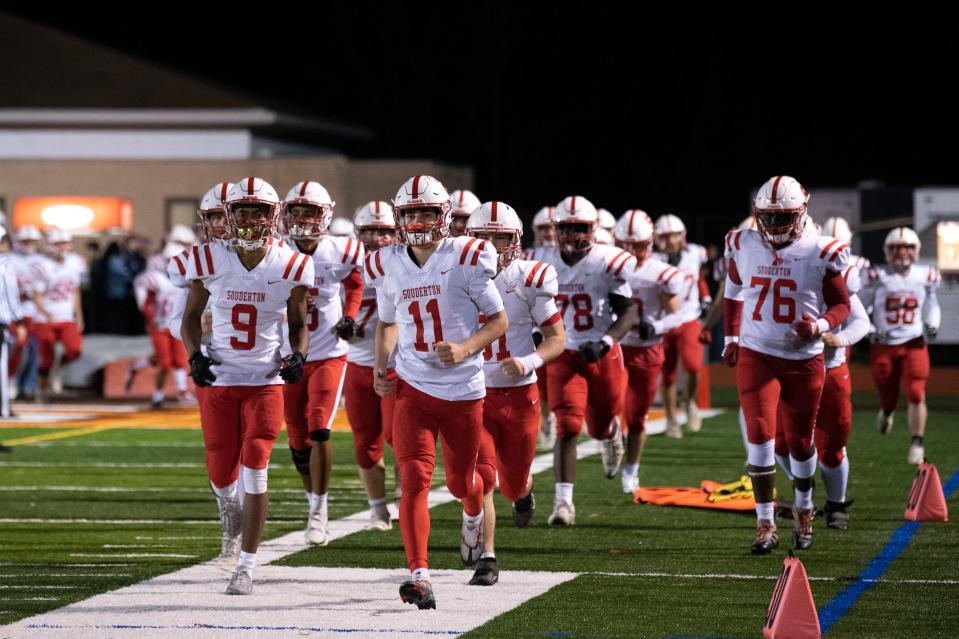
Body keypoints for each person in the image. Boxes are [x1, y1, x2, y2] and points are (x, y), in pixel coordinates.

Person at [368, 175, 507, 609]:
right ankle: (420, 574)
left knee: (464, 482)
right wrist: (381, 363)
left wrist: (466, 347)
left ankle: (472, 512)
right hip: (413, 387)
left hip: (464, 390)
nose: (419, 219)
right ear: (399, 218)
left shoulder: (467, 255)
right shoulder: (388, 261)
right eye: (411, 213)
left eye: (427, 211)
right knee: (413, 480)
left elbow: (498, 320)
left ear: (443, 215)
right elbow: (388, 322)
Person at [174, 176, 312, 595]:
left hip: (264, 381)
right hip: (220, 378)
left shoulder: (292, 264)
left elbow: (299, 321)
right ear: (228, 215)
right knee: (221, 471)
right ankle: (228, 512)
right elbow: (188, 318)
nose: (249, 218)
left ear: (273, 216)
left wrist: (299, 355)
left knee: (256, 465)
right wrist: (194, 355)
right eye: (241, 210)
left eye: (257, 210)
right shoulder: (207, 259)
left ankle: (246, 565)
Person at [722, 175, 850, 553]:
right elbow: (733, 289)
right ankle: (765, 522)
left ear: (802, 213)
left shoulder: (821, 250)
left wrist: (820, 325)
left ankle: (806, 506)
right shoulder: (743, 242)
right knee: (760, 437)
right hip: (757, 353)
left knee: (800, 442)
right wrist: (731, 338)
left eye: (783, 218)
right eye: (768, 217)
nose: (775, 226)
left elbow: (841, 305)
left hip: (802, 359)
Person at [464, 201, 565, 586]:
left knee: (513, 483)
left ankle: (523, 494)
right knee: (483, 475)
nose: (491, 245)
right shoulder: (454, 275)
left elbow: (557, 339)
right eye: (483, 237)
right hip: (472, 394)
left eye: (500, 237)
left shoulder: (530, 277)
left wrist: (528, 362)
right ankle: (488, 557)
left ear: (516, 240)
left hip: (520, 396)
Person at [534, 195, 636, 526]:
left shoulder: (609, 260)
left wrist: (606, 340)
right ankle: (564, 503)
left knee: (601, 422)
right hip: (564, 353)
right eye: (567, 227)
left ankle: (610, 434)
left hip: (603, 354)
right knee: (568, 426)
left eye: (580, 227)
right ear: (556, 229)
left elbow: (627, 311)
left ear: (593, 229)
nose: (573, 234)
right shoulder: (542, 261)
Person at [279, 180, 364, 545]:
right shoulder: (274, 251)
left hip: (329, 352)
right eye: (295, 211)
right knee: (297, 441)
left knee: (319, 428)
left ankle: (319, 509)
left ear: (324, 215)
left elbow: (357, 282)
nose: (301, 218)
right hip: (286, 355)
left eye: (309, 211)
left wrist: (350, 315)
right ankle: (311, 497)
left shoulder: (340, 250)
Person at [614, 210, 683, 494]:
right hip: (615, 348)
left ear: (650, 243)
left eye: (639, 245)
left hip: (646, 351)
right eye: (625, 246)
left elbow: (677, 316)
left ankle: (631, 468)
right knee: (610, 407)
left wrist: (654, 327)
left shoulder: (660, 273)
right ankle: (613, 445)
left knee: (638, 414)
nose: (632, 252)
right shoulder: (608, 266)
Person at [860, 227, 941, 464]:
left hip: (914, 341)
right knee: (888, 395)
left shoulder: (926, 275)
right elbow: (860, 309)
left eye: (907, 247)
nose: (902, 252)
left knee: (917, 392)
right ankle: (887, 411)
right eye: (896, 247)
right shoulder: (876, 275)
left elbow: (932, 305)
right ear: (887, 251)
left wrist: (932, 323)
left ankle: (917, 441)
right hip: (884, 344)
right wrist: (871, 331)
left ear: (916, 250)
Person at [344, 201, 399, 531]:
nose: (378, 238)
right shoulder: (343, 265)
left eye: (385, 231)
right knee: (365, 444)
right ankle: (378, 508)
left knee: (400, 438)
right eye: (371, 231)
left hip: (398, 366)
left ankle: (407, 498)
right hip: (357, 363)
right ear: (359, 232)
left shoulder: (408, 265)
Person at [653, 214, 711, 437]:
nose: (670, 240)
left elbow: (698, 278)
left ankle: (689, 402)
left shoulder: (694, 253)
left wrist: (705, 298)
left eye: (674, 235)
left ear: (683, 235)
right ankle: (670, 419)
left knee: (694, 366)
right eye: (665, 236)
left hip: (688, 318)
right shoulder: (652, 260)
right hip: (664, 322)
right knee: (666, 374)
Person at [32, 230, 86, 401]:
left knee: (74, 350)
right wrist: (45, 313)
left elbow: (75, 291)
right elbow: (37, 295)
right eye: (58, 244)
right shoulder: (43, 266)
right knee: (46, 359)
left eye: (64, 243)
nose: (62, 247)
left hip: (66, 317)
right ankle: (41, 391)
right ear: (51, 246)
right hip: (46, 319)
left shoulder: (75, 263)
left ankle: (57, 369)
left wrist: (79, 315)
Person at [0, 228, 26, 417]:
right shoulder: (5, 265)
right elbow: (12, 295)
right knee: (1, 367)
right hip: (1, 321)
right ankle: (4, 408)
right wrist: (20, 320)